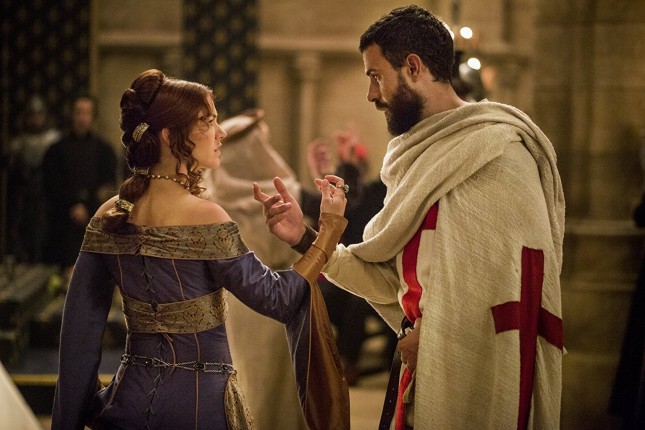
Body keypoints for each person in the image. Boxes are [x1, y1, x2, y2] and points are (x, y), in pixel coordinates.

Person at [254, 5, 565, 429]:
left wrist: (436, 339)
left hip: (479, 379)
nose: (371, 94)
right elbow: (389, 280)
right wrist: (304, 236)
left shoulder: (502, 155)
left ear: (413, 68)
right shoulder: (416, 160)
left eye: (376, 76)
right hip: (419, 372)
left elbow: (512, 289)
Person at [51, 69, 350, 430]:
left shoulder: (109, 214)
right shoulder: (207, 217)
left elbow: (78, 339)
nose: (220, 132)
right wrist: (329, 229)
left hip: (123, 407)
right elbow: (280, 299)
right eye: (208, 123)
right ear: (170, 136)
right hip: (200, 411)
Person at [201, 108, 308, 429]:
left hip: (238, 303)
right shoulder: (283, 195)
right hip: (274, 298)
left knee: (258, 380)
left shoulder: (212, 197)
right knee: (267, 386)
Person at [302, 126, 395, 386]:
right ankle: (321, 361)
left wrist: (347, 166)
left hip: (372, 273)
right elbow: (330, 209)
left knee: (358, 297)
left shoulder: (378, 192)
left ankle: (349, 362)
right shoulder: (355, 193)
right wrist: (324, 175)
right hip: (339, 272)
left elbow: (352, 211)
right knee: (310, 292)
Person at [42, 94, 117, 280]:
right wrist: (72, 205)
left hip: (94, 221)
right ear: (72, 115)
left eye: (87, 113)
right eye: (78, 112)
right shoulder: (56, 150)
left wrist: (87, 207)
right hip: (62, 223)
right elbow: (51, 184)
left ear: (93, 117)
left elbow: (107, 186)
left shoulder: (105, 151)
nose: (82, 118)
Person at [6, 95, 61, 263]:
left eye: (38, 115)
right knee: (22, 227)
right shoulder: (19, 142)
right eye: (32, 115)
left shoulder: (54, 139)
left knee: (44, 229)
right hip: (23, 192)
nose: (36, 119)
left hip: (46, 192)